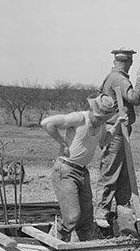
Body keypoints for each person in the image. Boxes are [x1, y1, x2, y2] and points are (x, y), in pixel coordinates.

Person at [41, 93, 123, 242]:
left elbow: (104, 141)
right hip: (66, 170)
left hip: (82, 173)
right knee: (72, 217)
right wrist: (62, 143)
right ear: (92, 110)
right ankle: (54, 239)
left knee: (86, 220)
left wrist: (117, 125)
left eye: (104, 119)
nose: (99, 121)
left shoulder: (102, 125)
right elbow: (46, 123)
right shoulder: (79, 118)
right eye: (98, 118)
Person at [97, 48, 140, 229]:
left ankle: (123, 212)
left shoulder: (111, 76)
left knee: (125, 175)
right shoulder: (119, 78)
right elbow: (135, 98)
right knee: (110, 171)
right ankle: (101, 211)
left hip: (121, 129)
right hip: (117, 130)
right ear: (129, 62)